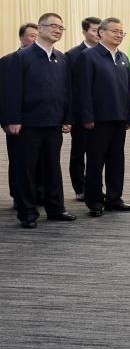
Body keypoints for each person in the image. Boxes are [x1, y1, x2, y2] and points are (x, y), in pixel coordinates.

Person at [5, 13, 76, 228]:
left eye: (61, 28)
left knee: (52, 168)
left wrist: (67, 118)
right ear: (40, 27)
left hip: (53, 123)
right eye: (53, 26)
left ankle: (55, 208)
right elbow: (10, 92)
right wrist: (12, 119)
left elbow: (66, 92)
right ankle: (27, 212)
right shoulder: (18, 58)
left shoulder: (62, 59)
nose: (57, 30)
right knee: (26, 169)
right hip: (26, 125)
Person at [77, 17, 130, 217]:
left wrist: (129, 116)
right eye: (115, 31)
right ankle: (94, 201)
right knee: (95, 161)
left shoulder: (123, 57)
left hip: (119, 118)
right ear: (101, 33)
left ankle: (114, 198)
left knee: (116, 160)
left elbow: (128, 90)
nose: (119, 35)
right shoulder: (89, 56)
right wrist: (87, 116)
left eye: (122, 32)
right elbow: (83, 89)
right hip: (97, 119)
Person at [64, 16, 101, 202]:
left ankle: (95, 187)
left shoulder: (108, 53)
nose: (97, 33)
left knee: (98, 154)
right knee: (79, 152)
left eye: (100, 30)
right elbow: (69, 89)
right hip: (80, 114)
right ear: (84, 32)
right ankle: (80, 188)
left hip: (102, 115)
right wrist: (68, 117)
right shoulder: (72, 55)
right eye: (94, 30)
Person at [2, 23, 38, 204]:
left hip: (40, 120)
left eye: (38, 35)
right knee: (19, 162)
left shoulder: (50, 60)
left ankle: (38, 194)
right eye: (32, 35)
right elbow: (6, 94)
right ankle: (18, 195)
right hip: (17, 122)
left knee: (40, 162)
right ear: (22, 38)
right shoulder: (9, 60)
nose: (35, 39)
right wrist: (7, 121)